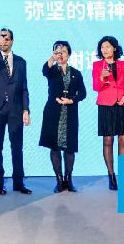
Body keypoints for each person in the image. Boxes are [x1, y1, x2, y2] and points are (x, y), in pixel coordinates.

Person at [0, 28, 31, 195]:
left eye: (6, 38)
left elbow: (24, 87)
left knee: (17, 148)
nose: (3, 41)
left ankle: (19, 183)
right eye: (0, 38)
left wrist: (26, 109)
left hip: (15, 110)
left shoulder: (21, 61)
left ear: (12, 41)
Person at [39, 41, 86, 193]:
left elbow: (83, 93)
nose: (60, 54)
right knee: (54, 147)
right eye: (57, 51)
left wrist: (71, 100)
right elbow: (44, 70)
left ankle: (68, 179)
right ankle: (59, 180)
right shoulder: (52, 70)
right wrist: (52, 59)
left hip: (70, 112)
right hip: (53, 112)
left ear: (69, 54)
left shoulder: (76, 73)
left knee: (69, 148)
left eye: (63, 51)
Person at [92, 35, 124, 191]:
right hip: (106, 105)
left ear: (114, 48)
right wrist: (102, 78)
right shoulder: (98, 65)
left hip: (123, 104)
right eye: (102, 47)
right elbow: (95, 87)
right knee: (108, 140)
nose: (105, 50)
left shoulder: (123, 64)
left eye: (108, 47)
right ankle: (111, 176)